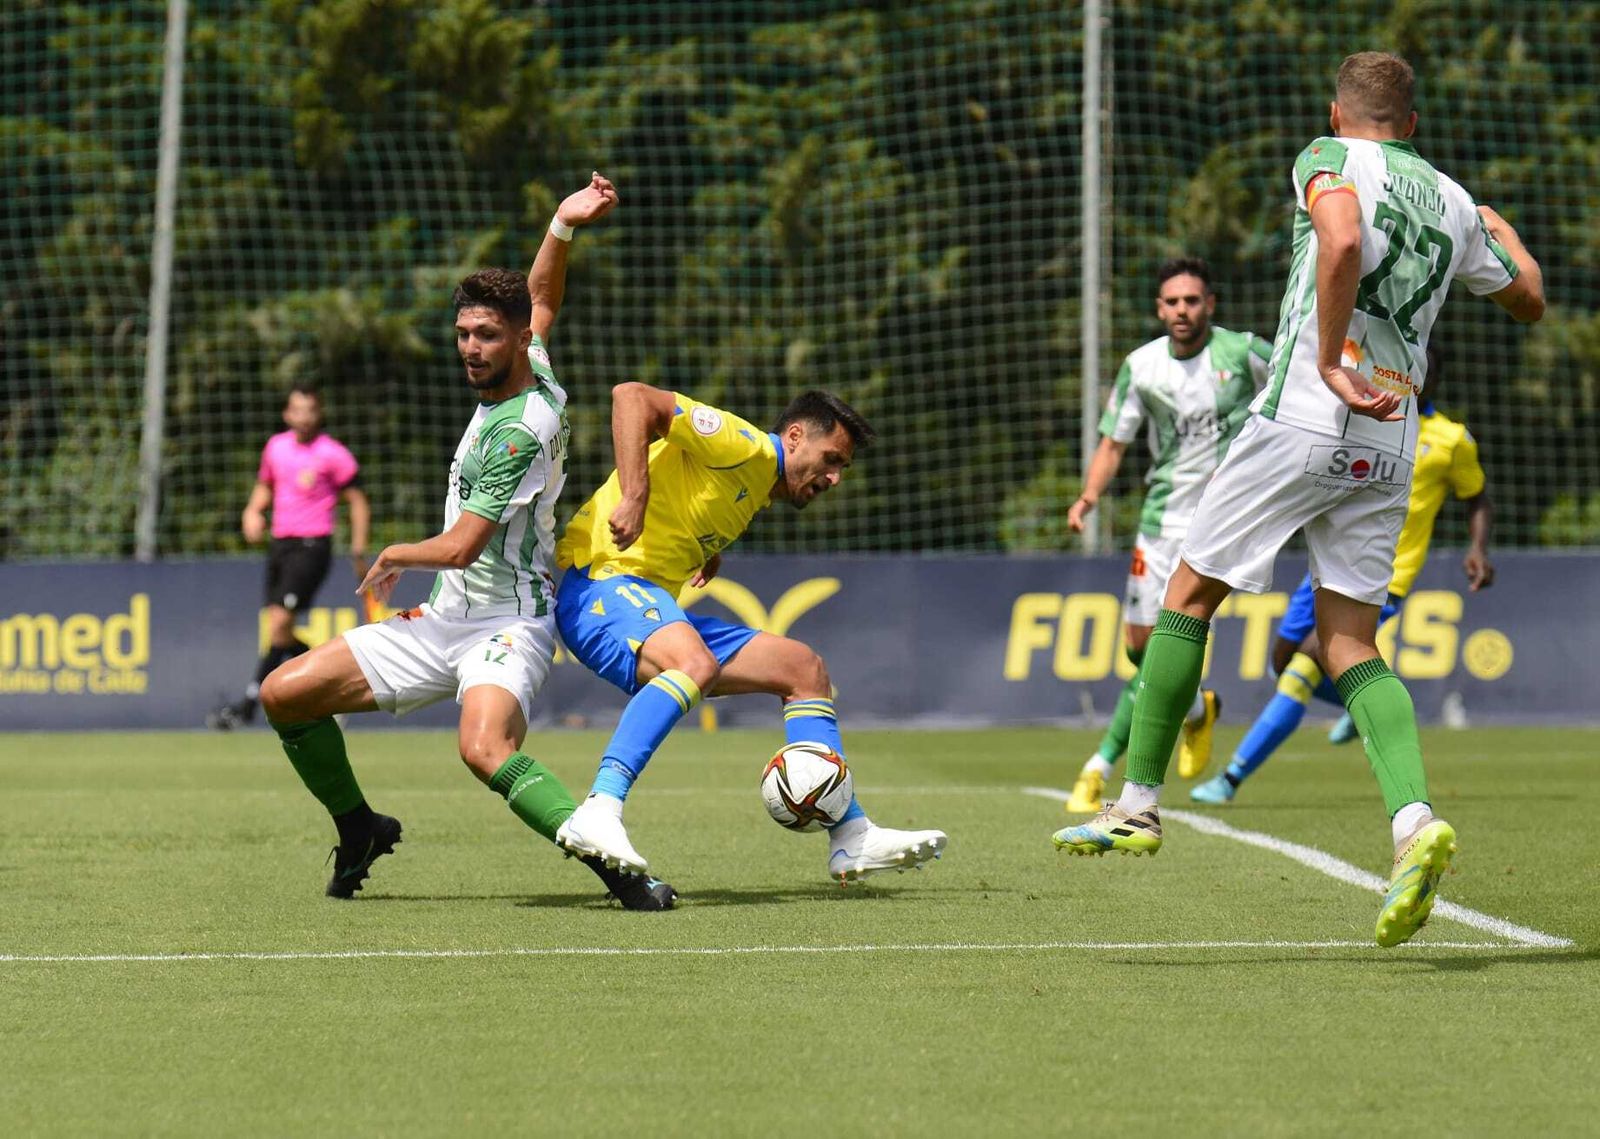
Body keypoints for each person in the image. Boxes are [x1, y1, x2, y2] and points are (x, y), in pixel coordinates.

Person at [1052, 52, 1543, 949]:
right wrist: (1491, 222)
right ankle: (1412, 824)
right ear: (1415, 122)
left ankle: (1137, 805)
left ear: (1337, 110)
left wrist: (1325, 358)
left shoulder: (1326, 155)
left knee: (1187, 597)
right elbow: (1530, 297)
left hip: (1306, 413)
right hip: (1392, 433)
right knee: (1352, 642)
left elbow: (1344, 237)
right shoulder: (1453, 201)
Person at [258, 173, 676, 911]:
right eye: (462, 334)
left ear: (514, 340)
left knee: (482, 748)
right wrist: (562, 223)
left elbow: (460, 546)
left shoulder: (521, 430)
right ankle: (359, 828)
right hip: (445, 618)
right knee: (284, 693)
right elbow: (543, 296)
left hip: (509, 622)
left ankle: (619, 870)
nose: (471, 348)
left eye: (486, 335)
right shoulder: (531, 362)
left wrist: (394, 554)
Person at [550, 383, 947, 883]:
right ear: (796, 436)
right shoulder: (745, 444)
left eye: (842, 468)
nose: (834, 477)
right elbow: (632, 397)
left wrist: (702, 547)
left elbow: (693, 492)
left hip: (646, 601)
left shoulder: (757, 485)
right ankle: (600, 808)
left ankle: (852, 836)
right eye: (831, 459)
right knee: (692, 663)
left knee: (804, 669)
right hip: (599, 590)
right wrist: (634, 495)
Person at [1192, 351, 1494, 804]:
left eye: (1416, 369)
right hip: (1325, 563)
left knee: (1302, 667)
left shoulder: (1451, 440)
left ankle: (1230, 779)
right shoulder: (1358, 413)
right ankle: (1365, 700)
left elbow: (1477, 497)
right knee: (1282, 659)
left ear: (1427, 377)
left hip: (1384, 574)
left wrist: (1477, 549)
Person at [1063, 257, 1271, 813]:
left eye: (1193, 300)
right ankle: (1198, 711)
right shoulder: (1142, 366)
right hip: (1159, 521)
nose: (1183, 310)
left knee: (1171, 637)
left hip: (1221, 520)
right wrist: (1088, 497)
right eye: (1173, 302)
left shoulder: (1243, 352)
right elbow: (1113, 443)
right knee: (1137, 650)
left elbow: (1297, 388)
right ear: (1159, 309)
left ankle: (1122, 776)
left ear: (1210, 305)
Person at [208, 385, 369, 730]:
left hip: (312, 546)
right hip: (280, 545)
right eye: (297, 409)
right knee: (281, 632)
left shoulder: (333, 454)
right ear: (287, 414)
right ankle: (335, 687)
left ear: (318, 414)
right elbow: (265, 484)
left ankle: (248, 707)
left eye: (310, 410)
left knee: (280, 624)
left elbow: (357, 501)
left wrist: (358, 548)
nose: (304, 417)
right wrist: (252, 511)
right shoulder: (275, 447)